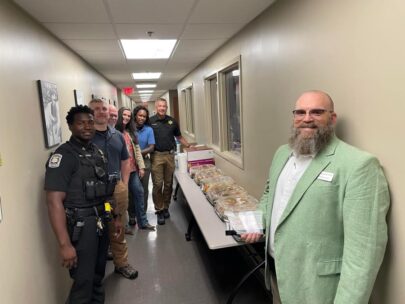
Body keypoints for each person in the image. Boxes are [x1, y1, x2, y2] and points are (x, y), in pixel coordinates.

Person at [242, 90, 390, 304]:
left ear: (332, 118)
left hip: (318, 287)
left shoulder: (358, 165)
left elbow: (363, 253)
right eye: (300, 112)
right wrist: (257, 221)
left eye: (317, 112)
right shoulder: (282, 153)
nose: (307, 118)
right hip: (278, 272)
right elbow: (269, 194)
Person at [44, 105, 122, 303]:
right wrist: (65, 245)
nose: (87, 127)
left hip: (100, 222)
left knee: (97, 276)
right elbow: (54, 202)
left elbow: (104, 193)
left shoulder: (97, 153)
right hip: (81, 226)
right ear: (70, 126)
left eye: (90, 122)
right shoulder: (63, 157)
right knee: (83, 281)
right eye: (81, 123)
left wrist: (115, 216)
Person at [89, 98, 138, 280]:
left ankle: (122, 263)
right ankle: (96, 269)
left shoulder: (117, 135)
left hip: (116, 189)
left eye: (104, 109)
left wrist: (123, 184)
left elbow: (125, 161)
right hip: (94, 193)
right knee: (96, 230)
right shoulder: (85, 137)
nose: (102, 112)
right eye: (97, 109)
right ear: (90, 112)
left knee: (117, 226)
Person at [149, 98, 192, 225]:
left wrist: (189, 146)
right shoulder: (150, 121)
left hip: (170, 155)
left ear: (166, 107)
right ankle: (159, 210)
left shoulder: (172, 121)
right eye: (160, 106)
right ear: (156, 107)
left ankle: (166, 207)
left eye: (164, 106)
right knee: (158, 184)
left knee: (168, 184)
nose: (162, 108)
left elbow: (178, 136)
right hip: (156, 155)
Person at [115, 107, 155, 230]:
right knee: (121, 198)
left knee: (139, 192)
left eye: (128, 116)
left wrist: (141, 167)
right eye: (124, 115)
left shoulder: (130, 132)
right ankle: (121, 225)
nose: (126, 117)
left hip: (132, 170)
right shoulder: (113, 132)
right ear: (119, 116)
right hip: (119, 172)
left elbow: (137, 151)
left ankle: (142, 222)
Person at [133, 105, 155, 212]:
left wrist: (137, 154)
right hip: (130, 163)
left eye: (144, 116)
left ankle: (143, 213)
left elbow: (151, 147)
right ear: (135, 116)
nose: (142, 118)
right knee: (132, 190)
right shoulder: (129, 129)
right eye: (140, 115)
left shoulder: (149, 130)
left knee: (143, 190)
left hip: (145, 162)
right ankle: (132, 215)